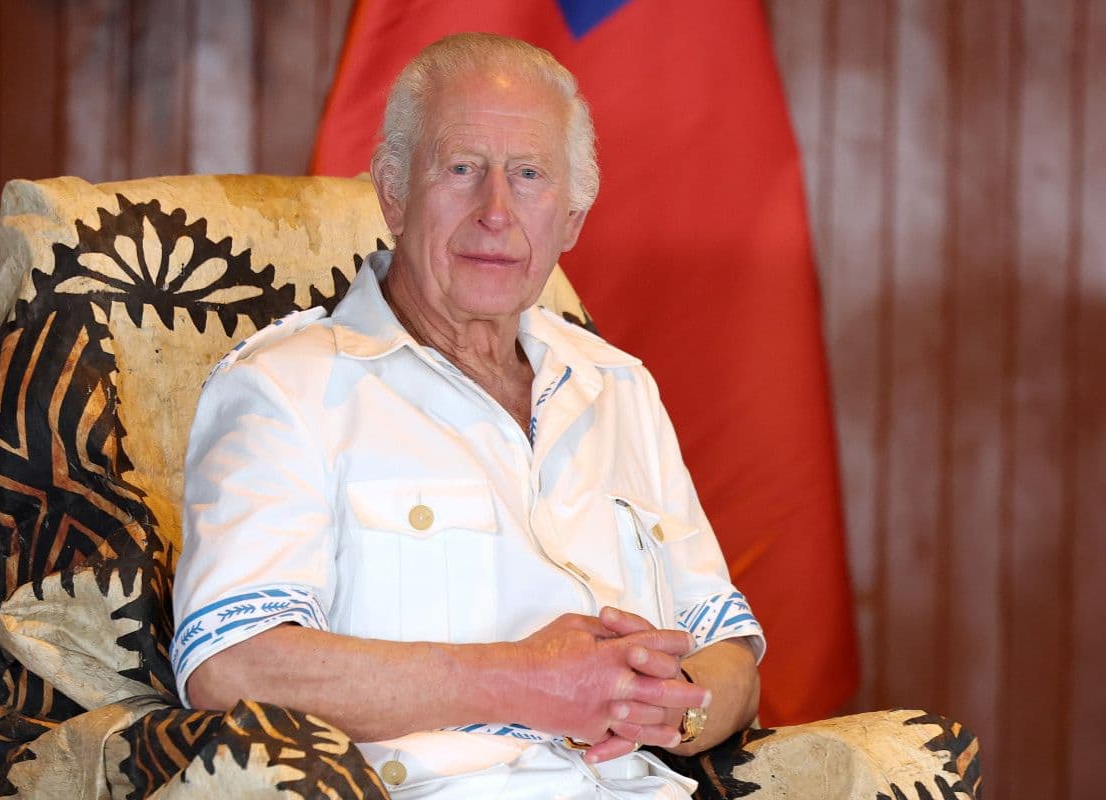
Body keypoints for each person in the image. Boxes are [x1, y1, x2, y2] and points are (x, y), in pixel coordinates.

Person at [172, 33, 765, 798]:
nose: (496, 212)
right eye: (461, 169)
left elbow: (729, 653)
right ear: (393, 194)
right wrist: (527, 682)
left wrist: (672, 704)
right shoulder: (286, 388)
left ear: (572, 218)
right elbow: (230, 666)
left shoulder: (621, 387)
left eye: (529, 175)